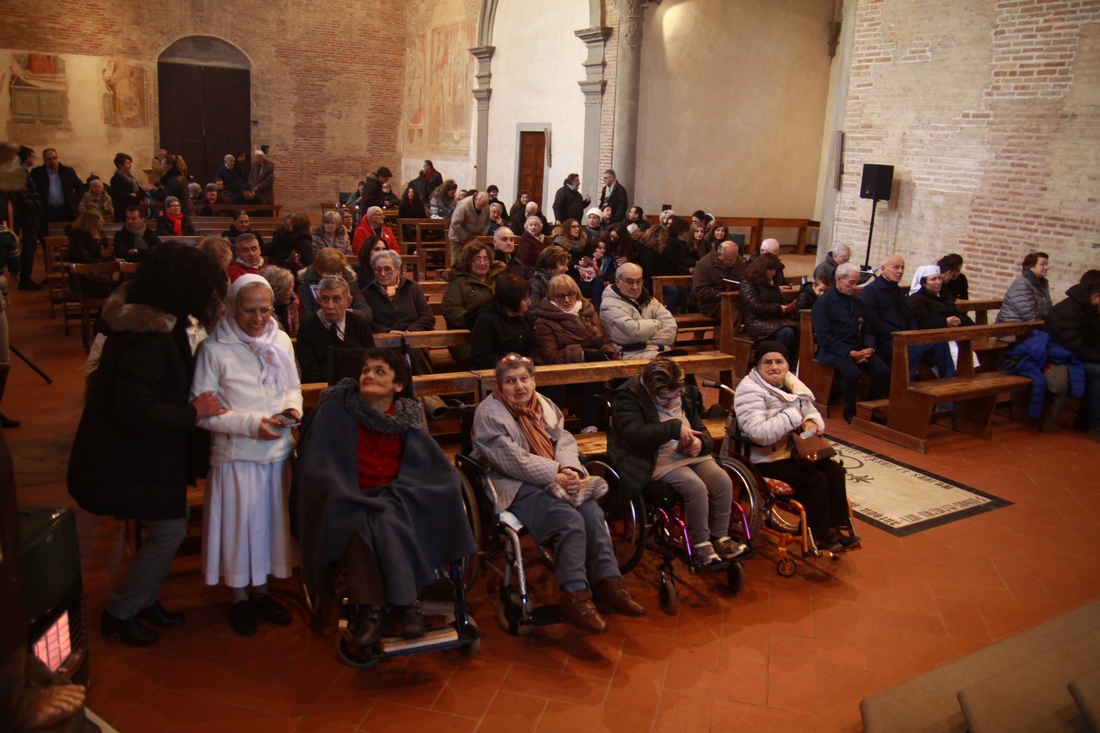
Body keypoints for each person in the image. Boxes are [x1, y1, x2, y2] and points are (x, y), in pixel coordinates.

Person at [68, 243, 228, 646]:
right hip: (127, 458)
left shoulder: (159, 323)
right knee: (170, 531)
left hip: (148, 457)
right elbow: (135, 412)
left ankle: (144, 598)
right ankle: (121, 610)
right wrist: (193, 411)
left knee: (166, 529)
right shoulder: (144, 340)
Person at [296, 348, 476, 647]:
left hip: (399, 492)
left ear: (398, 385)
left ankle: (376, 610)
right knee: (366, 518)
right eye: (366, 370)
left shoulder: (406, 416)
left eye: (380, 371)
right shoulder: (336, 409)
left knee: (387, 514)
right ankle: (403, 606)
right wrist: (344, 491)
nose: (368, 375)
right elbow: (318, 463)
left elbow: (430, 465)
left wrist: (407, 489)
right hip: (350, 493)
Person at [471, 355, 646, 634]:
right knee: (568, 521)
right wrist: (554, 473)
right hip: (510, 482)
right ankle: (574, 595)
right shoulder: (489, 413)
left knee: (592, 513)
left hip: (552, 474)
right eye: (510, 381)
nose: (519, 386)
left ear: (533, 380)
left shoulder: (543, 404)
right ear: (500, 385)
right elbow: (509, 459)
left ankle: (607, 583)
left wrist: (569, 469)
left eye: (524, 378)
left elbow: (563, 439)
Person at [191, 274, 302, 636]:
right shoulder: (213, 348)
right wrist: (252, 424)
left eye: (265, 310)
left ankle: (263, 592)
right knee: (240, 530)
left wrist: (292, 411)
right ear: (232, 307)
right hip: (238, 455)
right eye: (249, 311)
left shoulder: (281, 339)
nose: (258, 319)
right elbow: (203, 412)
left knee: (270, 527)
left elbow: (292, 387)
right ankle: (239, 596)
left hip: (276, 451)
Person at [609, 357, 744, 564]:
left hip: (686, 452)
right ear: (649, 389)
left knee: (722, 481)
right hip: (650, 456)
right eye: (664, 400)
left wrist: (700, 442)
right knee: (695, 486)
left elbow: (700, 427)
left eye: (675, 396)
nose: (672, 402)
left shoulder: (686, 393)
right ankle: (701, 544)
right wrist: (672, 428)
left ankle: (720, 537)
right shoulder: (629, 395)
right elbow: (633, 435)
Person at [734, 341, 860, 552]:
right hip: (765, 458)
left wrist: (811, 421)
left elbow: (812, 413)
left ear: (787, 366)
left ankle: (835, 527)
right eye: (768, 362)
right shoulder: (749, 391)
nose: (774, 367)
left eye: (779, 362)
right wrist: (794, 415)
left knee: (835, 471)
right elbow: (759, 434)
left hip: (795, 452)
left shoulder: (790, 383)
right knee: (816, 480)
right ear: (757, 367)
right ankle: (819, 536)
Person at [534, 274, 617, 429]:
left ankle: (596, 429)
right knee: (587, 377)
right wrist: (584, 355)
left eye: (570, 294)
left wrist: (607, 353)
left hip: (594, 371)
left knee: (603, 376)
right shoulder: (544, 320)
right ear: (552, 297)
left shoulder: (588, 312)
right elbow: (550, 356)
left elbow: (605, 340)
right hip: (565, 377)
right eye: (561, 296)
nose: (567, 300)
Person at [811, 262, 890, 423]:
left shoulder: (858, 303)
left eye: (857, 282)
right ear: (839, 279)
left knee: (883, 372)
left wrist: (870, 348)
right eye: (851, 282)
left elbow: (867, 329)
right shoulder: (824, 304)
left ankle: (867, 407)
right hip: (834, 350)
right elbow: (824, 337)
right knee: (852, 373)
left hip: (858, 349)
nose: (855, 287)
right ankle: (850, 411)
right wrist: (848, 353)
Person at [861, 255, 953, 378]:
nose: (900, 271)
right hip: (885, 340)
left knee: (939, 342)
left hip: (905, 337)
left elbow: (910, 316)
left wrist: (913, 333)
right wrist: (899, 334)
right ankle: (903, 385)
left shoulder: (897, 290)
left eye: (902, 268)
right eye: (896, 267)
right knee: (917, 347)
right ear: (883, 269)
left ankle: (948, 383)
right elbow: (872, 321)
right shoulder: (871, 290)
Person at [1044, 275, 1100, 442]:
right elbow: (1075, 346)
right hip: (1059, 356)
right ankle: (1095, 426)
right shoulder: (1068, 311)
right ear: (1096, 296)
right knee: (1098, 373)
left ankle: (1086, 420)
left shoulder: (1088, 309)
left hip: (1075, 355)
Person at [361, 248, 436, 372]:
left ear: (398, 270)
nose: (383, 274)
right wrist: (388, 332)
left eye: (387, 269)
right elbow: (368, 322)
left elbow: (427, 317)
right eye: (378, 270)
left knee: (415, 352)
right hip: (384, 340)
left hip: (412, 337)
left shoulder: (413, 288)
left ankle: (424, 389)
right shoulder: (367, 293)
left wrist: (408, 332)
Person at [294, 275, 375, 383]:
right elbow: (309, 371)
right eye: (325, 299)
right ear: (319, 300)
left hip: (359, 385)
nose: (330, 306)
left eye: (336, 299)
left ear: (348, 301)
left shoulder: (359, 323)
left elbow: (372, 360)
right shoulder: (307, 328)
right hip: (321, 388)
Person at [600, 262, 678, 360]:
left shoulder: (649, 300)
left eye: (639, 281)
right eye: (630, 282)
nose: (635, 287)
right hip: (630, 355)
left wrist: (644, 341)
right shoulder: (609, 304)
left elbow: (671, 331)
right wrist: (657, 324)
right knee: (676, 362)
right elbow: (635, 332)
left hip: (656, 351)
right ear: (617, 281)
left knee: (680, 359)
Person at [442, 241, 504, 362]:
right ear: (468, 261)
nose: (482, 263)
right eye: (477, 259)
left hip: (498, 335)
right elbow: (452, 312)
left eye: (486, 259)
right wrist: (482, 326)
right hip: (467, 337)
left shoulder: (498, 279)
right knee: (486, 359)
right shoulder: (458, 282)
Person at [740, 252, 800, 368]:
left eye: (775, 270)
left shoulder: (771, 282)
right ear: (762, 269)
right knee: (786, 333)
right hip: (756, 322)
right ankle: (768, 362)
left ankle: (789, 366)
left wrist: (788, 307)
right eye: (771, 270)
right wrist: (779, 309)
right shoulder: (748, 283)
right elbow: (755, 306)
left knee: (798, 329)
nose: (774, 273)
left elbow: (779, 300)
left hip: (774, 320)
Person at [470, 273, 538, 369]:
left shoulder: (527, 316)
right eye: (525, 299)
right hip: (496, 371)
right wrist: (512, 362)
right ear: (512, 300)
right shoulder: (486, 318)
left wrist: (531, 361)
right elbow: (481, 356)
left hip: (523, 368)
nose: (529, 303)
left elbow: (535, 347)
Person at [296, 247, 370, 320]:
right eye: (330, 273)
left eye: (338, 271)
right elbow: (308, 319)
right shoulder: (305, 288)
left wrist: (344, 313)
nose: (335, 277)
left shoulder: (350, 283)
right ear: (318, 270)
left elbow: (366, 313)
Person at [907, 265, 974, 330]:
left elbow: (955, 311)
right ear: (923, 283)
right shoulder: (917, 299)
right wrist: (945, 322)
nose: (938, 282)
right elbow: (921, 323)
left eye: (939, 278)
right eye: (933, 279)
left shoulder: (945, 294)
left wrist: (959, 319)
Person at [693, 239, 745, 320]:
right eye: (729, 260)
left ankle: (746, 333)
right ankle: (730, 333)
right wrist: (721, 294)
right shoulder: (704, 264)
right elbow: (700, 291)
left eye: (735, 258)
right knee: (732, 312)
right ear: (719, 255)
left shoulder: (739, 261)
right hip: (712, 305)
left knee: (753, 309)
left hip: (735, 300)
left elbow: (745, 280)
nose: (734, 262)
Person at [997, 251, 1052, 324]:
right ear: (1030, 267)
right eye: (1042, 265)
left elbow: (1047, 307)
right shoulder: (1022, 284)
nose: (1046, 268)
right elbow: (1029, 314)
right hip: (1013, 326)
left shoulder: (1042, 282)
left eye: (1046, 264)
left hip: (1029, 324)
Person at [30, 147, 81, 223]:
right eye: (49, 159)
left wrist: (74, 201)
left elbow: (80, 187)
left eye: (54, 158)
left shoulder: (67, 171)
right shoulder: (37, 172)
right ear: (44, 160)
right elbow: (31, 190)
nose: (52, 161)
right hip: (46, 210)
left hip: (65, 210)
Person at [448, 191, 490, 263]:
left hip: (474, 238)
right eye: (480, 205)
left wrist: (481, 235)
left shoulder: (485, 206)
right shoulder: (463, 205)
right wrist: (464, 239)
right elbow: (456, 223)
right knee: (457, 262)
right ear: (476, 199)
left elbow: (487, 222)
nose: (482, 208)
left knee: (472, 262)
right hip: (458, 238)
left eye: (484, 206)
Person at [260, 264, 301, 338]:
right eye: (286, 291)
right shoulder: (266, 313)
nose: (290, 293)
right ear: (274, 293)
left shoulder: (293, 301)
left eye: (291, 288)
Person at [109, 152, 148, 223]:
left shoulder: (131, 178)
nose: (130, 165)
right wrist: (137, 196)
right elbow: (124, 197)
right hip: (123, 212)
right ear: (120, 165)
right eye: (127, 163)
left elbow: (142, 193)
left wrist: (136, 195)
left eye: (130, 163)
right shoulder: (115, 179)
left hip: (136, 210)